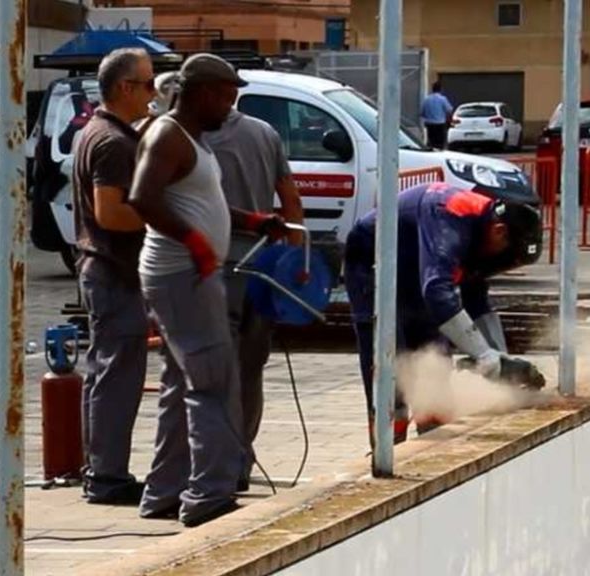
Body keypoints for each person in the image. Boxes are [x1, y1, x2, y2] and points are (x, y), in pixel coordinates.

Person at [128, 54, 287, 528]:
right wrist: (195, 241)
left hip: (188, 273)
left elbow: (202, 203)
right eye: (225, 96)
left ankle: (164, 491)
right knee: (215, 380)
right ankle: (209, 495)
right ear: (199, 93)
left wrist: (252, 220)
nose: (230, 106)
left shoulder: (194, 140)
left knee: (183, 382)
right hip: (182, 275)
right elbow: (142, 197)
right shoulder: (166, 135)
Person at [343, 182, 546, 443]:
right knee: (390, 364)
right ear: (499, 232)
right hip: (371, 265)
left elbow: (477, 301)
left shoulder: (485, 231)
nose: (502, 267)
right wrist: (485, 355)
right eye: (508, 259)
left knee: (434, 358)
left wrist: (502, 364)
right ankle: (388, 451)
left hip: (414, 271)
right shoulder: (451, 217)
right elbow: (437, 291)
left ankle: (432, 442)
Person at [203, 68, 305, 492]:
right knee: (250, 370)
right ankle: (241, 459)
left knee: (212, 371)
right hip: (262, 268)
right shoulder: (266, 133)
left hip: (216, 268)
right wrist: (294, 261)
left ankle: (217, 465)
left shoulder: (192, 139)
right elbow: (291, 201)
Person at [71, 48, 155, 506]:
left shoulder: (99, 132)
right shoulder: (112, 143)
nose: (153, 93)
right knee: (117, 376)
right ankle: (107, 476)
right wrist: (161, 215)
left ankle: (101, 470)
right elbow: (110, 214)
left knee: (105, 373)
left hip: (104, 269)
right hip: (113, 270)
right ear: (125, 88)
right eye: (146, 85)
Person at [421, 81, 454, 150]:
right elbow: (449, 110)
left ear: (432, 89)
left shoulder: (427, 99)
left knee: (431, 142)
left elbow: (422, 113)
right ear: (440, 89)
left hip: (430, 125)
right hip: (440, 124)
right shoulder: (443, 99)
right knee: (440, 143)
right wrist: (450, 120)